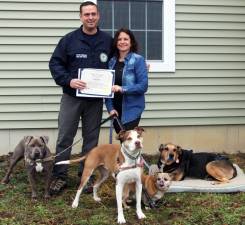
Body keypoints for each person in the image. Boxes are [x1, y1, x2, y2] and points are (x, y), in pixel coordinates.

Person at [49, 1, 113, 194]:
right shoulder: (69, 40)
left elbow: (119, 62)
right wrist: (68, 81)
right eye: (87, 14)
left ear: (98, 16)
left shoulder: (107, 41)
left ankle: (85, 174)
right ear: (81, 17)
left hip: (94, 100)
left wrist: (139, 65)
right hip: (72, 97)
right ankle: (59, 176)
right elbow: (55, 64)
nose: (90, 18)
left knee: (91, 139)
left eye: (93, 14)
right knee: (65, 136)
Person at [105, 28, 148, 133]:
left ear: (131, 42)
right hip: (116, 110)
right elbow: (107, 88)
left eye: (126, 39)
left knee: (130, 143)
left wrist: (122, 89)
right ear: (116, 42)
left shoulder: (138, 60)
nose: (122, 42)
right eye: (119, 39)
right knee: (123, 144)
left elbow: (143, 86)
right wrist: (110, 108)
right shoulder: (111, 62)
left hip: (131, 110)